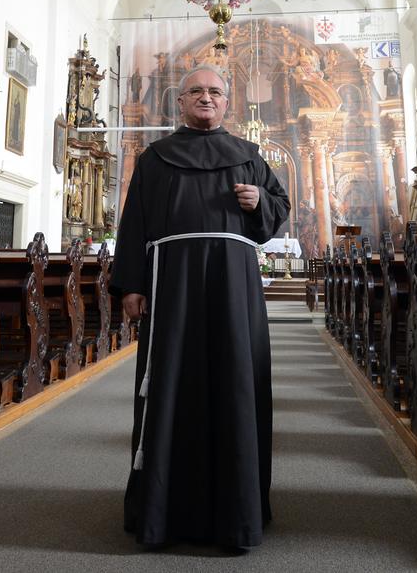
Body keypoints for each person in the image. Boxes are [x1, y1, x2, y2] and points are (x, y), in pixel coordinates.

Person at [110, 64, 290, 550]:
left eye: (214, 92)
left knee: (236, 381)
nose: (205, 98)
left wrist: (260, 204)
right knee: (172, 384)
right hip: (173, 285)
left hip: (234, 286)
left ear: (227, 102)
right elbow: (135, 223)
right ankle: (162, 512)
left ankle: (238, 513)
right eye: (196, 92)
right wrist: (131, 284)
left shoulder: (250, 157)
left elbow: (280, 208)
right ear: (182, 101)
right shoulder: (155, 158)